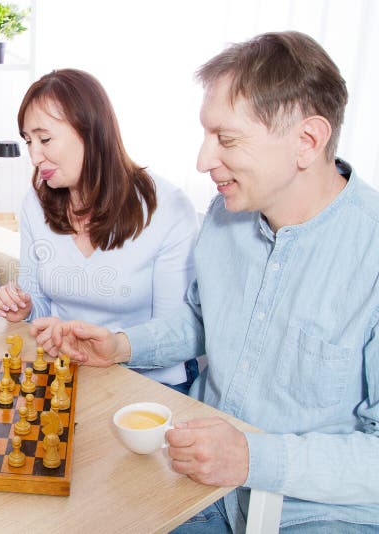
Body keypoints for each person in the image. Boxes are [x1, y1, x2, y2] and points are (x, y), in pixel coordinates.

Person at [52, 32, 379, 532]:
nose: (203, 160)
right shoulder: (226, 220)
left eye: (226, 139)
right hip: (200, 491)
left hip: (316, 513)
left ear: (307, 142)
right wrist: (121, 346)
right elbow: (205, 320)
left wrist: (254, 457)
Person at [0, 69, 199, 392]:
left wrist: (116, 346)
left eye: (44, 139)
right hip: (68, 375)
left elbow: (180, 333)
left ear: (91, 131)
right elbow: (42, 308)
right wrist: (27, 308)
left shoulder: (167, 207)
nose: (33, 156)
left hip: (149, 385)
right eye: (28, 141)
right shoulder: (35, 203)